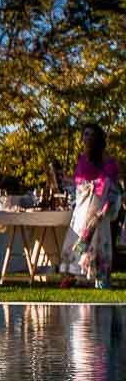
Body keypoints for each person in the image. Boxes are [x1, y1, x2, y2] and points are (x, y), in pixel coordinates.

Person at [61, 124, 119, 289]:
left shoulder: (107, 161)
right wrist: (68, 180)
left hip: (100, 207)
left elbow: (111, 183)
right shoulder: (81, 159)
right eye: (84, 134)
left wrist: (103, 197)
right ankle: (74, 275)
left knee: (100, 241)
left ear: (97, 138)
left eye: (90, 134)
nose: (86, 137)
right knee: (80, 239)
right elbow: (78, 182)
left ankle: (101, 278)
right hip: (83, 207)